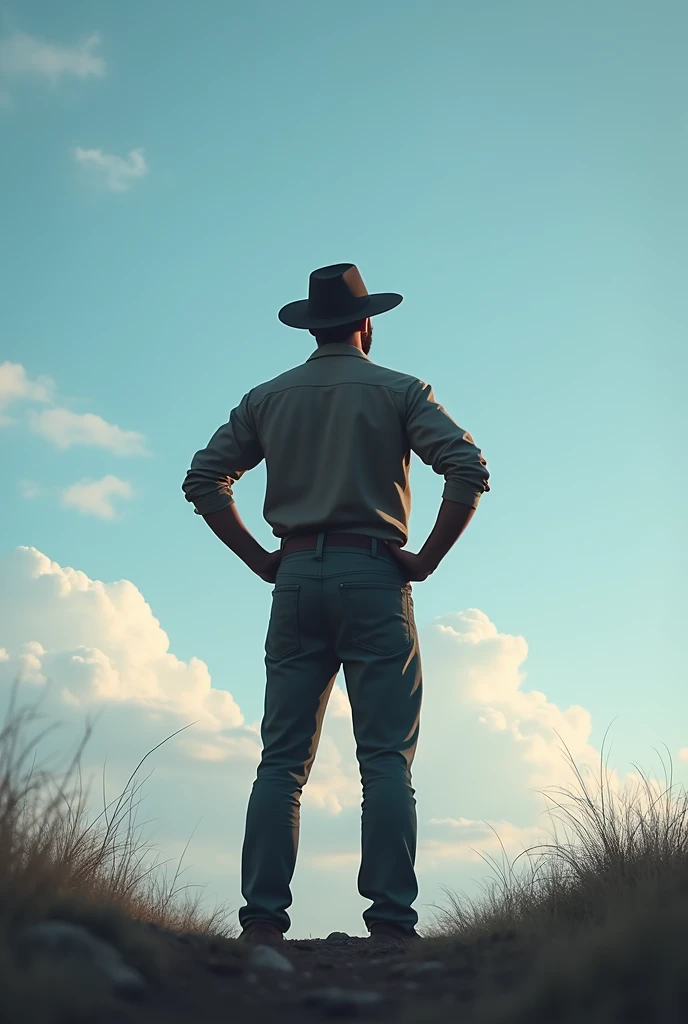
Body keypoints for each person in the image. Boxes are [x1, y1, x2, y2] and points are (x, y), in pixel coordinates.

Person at [182, 263, 490, 947]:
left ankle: (262, 920)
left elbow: (204, 478)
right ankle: (390, 923)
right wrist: (429, 558)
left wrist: (261, 558)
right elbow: (467, 468)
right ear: (366, 322)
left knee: (282, 762)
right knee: (384, 759)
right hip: (376, 575)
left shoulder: (267, 397)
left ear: (312, 327)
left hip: (294, 581)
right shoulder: (400, 391)